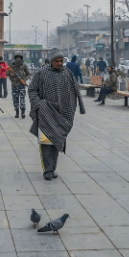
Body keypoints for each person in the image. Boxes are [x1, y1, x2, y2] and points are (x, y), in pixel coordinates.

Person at [29, 49, 86, 180]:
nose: (60, 63)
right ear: (51, 61)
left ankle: (53, 168)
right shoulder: (42, 73)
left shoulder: (68, 73)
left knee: (57, 141)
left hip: (63, 114)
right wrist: (39, 105)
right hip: (46, 113)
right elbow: (32, 90)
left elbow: (75, 91)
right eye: (57, 61)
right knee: (46, 142)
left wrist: (75, 108)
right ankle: (47, 170)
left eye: (61, 61)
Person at [8, 52, 31, 119]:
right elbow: (7, 73)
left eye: (19, 58)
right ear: (15, 58)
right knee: (15, 99)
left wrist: (24, 79)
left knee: (22, 99)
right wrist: (10, 74)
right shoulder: (12, 65)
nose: (18, 59)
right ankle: (17, 112)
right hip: (14, 85)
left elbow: (29, 74)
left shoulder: (24, 65)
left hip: (21, 85)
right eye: (17, 58)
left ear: (21, 58)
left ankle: (23, 112)